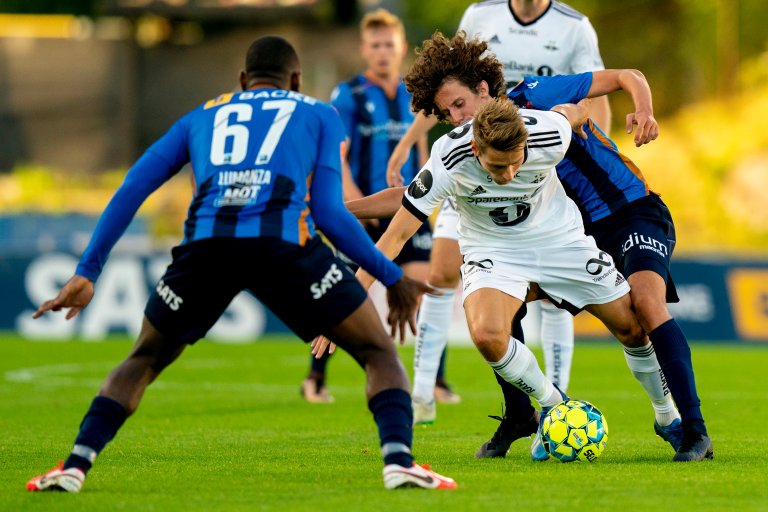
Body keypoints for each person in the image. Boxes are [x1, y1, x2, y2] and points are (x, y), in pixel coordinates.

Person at [25, 36, 456, 493]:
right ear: (296, 80)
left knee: (144, 358)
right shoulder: (318, 113)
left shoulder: (201, 116)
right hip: (285, 249)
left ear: (242, 80)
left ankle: (74, 465)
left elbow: (134, 186)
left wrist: (87, 271)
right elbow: (329, 213)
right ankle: (399, 463)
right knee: (377, 353)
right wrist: (391, 277)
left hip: (207, 250)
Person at [347, 32, 713, 462]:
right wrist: (334, 213)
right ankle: (532, 409)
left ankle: (682, 423)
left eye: (459, 105)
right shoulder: (457, 151)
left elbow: (600, 93)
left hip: (624, 212)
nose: (455, 117)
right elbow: (412, 201)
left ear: (484, 90)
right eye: (447, 112)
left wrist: (639, 111)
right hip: (548, 236)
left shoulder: (541, 111)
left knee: (643, 313)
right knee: (493, 319)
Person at [387, 0, 610, 426]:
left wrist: (593, 161)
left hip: (529, 163)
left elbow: (593, 94)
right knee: (443, 272)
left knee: (554, 294)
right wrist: (406, 143)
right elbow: (443, 92)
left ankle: (557, 399)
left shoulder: (574, 26)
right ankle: (422, 392)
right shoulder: (479, 16)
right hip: (472, 168)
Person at [301, 9, 459, 406]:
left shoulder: (414, 96)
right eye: (376, 46)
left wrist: (430, 194)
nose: (383, 52)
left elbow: (424, 150)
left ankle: (435, 380)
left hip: (410, 206)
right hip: (367, 208)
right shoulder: (349, 94)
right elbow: (339, 155)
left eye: (390, 44)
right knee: (344, 292)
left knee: (429, 285)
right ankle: (315, 377)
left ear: (401, 47)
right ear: (364, 50)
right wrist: (354, 204)